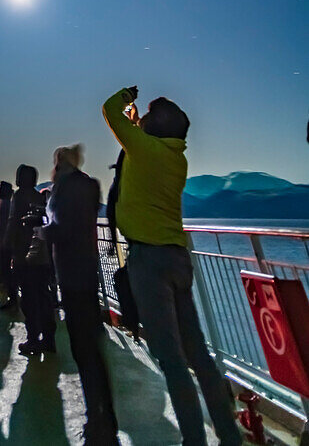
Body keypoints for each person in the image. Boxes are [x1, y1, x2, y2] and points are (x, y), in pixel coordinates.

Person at [103, 87, 242, 446]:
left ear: (155, 129)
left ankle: (194, 440)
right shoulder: (173, 157)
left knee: (173, 361)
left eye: (147, 118)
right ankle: (229, 435)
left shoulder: (146, 150)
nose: (142, 121)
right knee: (198, 354)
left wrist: (124, 97)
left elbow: (109, 110)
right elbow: (138, 146)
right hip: (177, 258)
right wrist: (139, 122)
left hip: (149, 262)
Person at [48, 145, 119, 445]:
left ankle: (97, 420)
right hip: (89, 270)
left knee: (82, 347)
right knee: (93, 344)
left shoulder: (63, 189)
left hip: (71, 273)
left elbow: (62, 230)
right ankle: (106, 415)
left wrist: (43, 231)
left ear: (59, 163)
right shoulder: (90, 185)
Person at [6, 164, 56, 356]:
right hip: (41, 255)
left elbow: (13, 224)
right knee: (43, 297)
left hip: (23, 256)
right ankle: (49, 339)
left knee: (28, 298)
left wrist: (7, 246)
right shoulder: (39, 197)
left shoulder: (18, 197)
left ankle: (33, 339)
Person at [0, 180, 16, 309]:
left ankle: (12, 299)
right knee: (6, 272)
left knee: (7, 272)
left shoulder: (6, 204)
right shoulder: (3, 203)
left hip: (5, 244)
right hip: (2, 243)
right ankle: (11, 297)